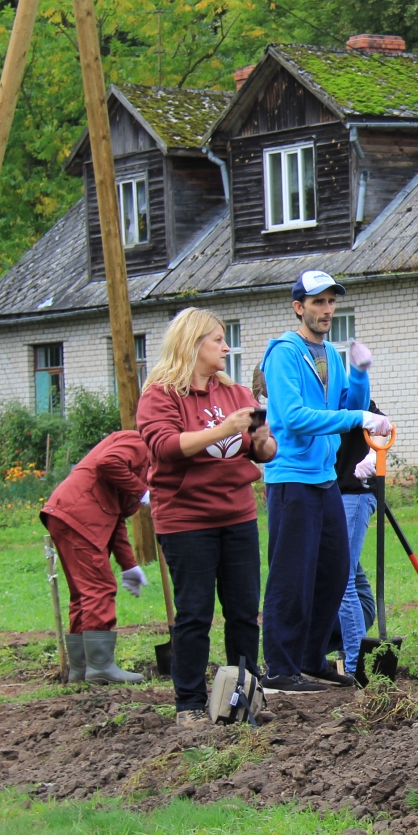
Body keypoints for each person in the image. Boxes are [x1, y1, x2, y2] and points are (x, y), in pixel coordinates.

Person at [138, 308, 276, 726]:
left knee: (243, 611)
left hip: (237, 514)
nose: (226, 347)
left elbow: (263, 453)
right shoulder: (160, 394)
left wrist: (263, 442)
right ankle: (190, 706)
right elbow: (164, 446)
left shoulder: (235, 393)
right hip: (186, 520)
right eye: (218, 340)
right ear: (193, 343)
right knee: (195, 613)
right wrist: (224, 429)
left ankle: (243, 699)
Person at [258, 270, 390, 694]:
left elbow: (348, 406)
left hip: (325, 478)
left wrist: (358, 374)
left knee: (334, 573)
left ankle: (311, 660)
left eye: (331, 301)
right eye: (317, 302)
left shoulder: (330, 356)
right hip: (291, 479)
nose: (326, 310)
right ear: (299, 307)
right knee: (291, 575)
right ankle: (280, 667)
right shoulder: (283, 354)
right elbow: (294, 417)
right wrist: (357, 416)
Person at [40, 430, 152, 685]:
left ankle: (81, 669)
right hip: (79, 514)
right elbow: (107, 462)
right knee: (98, 587)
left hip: (69, 514)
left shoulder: (145, 463)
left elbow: (117, 517)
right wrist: (142, 491)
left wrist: (129, 566)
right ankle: (100, 667)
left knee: (82, 593)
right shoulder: (138, 442)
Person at [334, 404, 383, 674]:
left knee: (343, 577)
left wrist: (374, 458)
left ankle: (357, 664)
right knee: (344, 571)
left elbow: (384, 426)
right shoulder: (317, 399)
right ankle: (351, 636)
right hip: (332, 493)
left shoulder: (353, 397)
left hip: (355, 494)